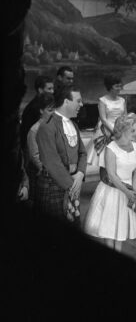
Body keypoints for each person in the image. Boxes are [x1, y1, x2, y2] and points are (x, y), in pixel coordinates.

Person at [84, 115, 136, 252]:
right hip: (113, 191)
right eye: (133, 130)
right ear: (124, 131)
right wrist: (127, 192)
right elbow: (112, 175)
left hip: (129, 189)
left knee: (121, 224)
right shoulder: (111, 148)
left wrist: (135, 190)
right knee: (109, 225)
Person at [35, 84, 86, 224]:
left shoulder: (73, 125)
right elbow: (51, 161)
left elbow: (83, 152)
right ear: (66, 101)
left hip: (71, 184)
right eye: (78, 101)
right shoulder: (47, 126)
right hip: (54, 185)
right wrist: (72, 186)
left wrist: (80, 173)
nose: (81, 104)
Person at [87, 75, 127, 168]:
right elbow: (103, 119)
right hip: (107, 129)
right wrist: (114, 131)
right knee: (104, 161)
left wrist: (122, 129)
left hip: (121, 128)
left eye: (120, 86)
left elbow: (125, 115)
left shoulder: (122, 100)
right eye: (117, 86)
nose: (119, 88)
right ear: (110, 87)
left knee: (120, 160)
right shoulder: (103, 100)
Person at [25, 92, 55, 202]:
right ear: (41, 110)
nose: (53, 113)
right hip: (41, 175)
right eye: (50, 110)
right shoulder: (35, 130)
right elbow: (35, 156)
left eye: (54, 109)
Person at [20, 74, 54, 147]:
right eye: (49, 89)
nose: (52, 91)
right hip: (32, 148)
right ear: (40, 90)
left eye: (52, 88)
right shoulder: (33, 108)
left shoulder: (43, 105)